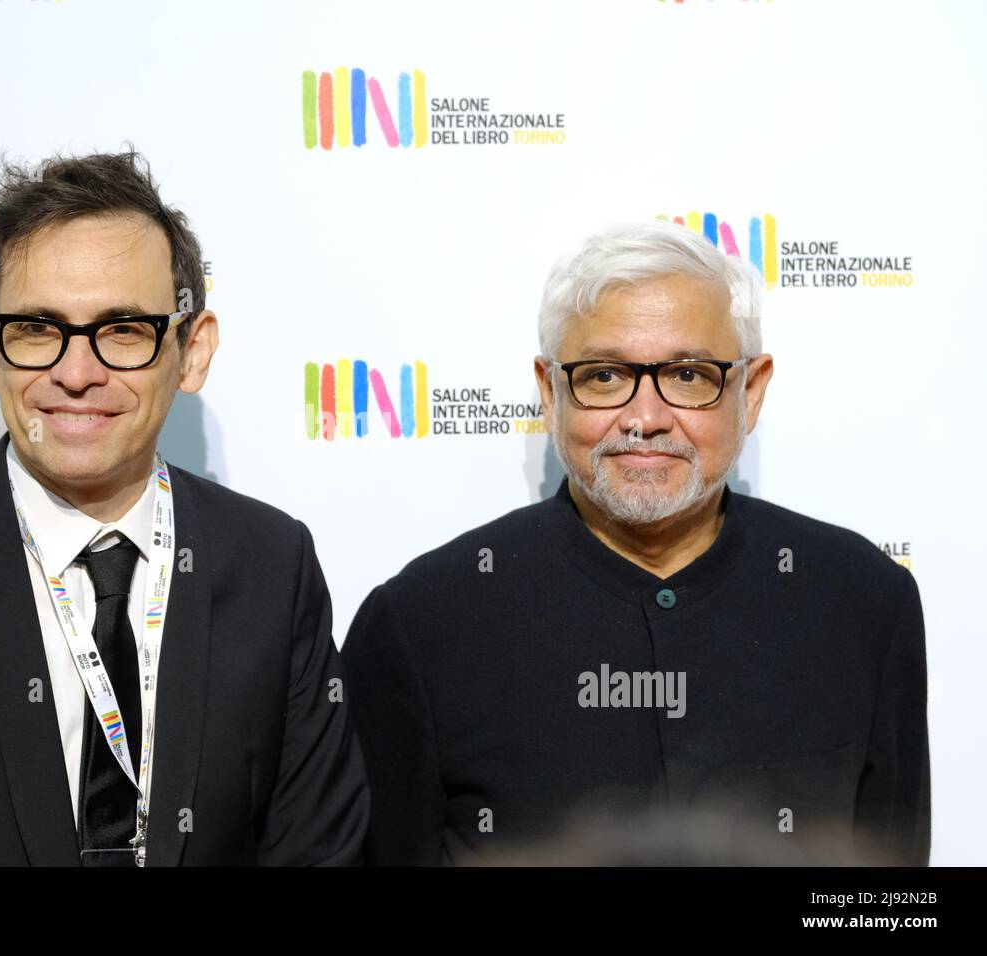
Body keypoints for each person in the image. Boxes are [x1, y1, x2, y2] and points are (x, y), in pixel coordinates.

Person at [0, 149, 368, 866]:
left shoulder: (273, 566)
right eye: (38, 328)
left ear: (192, 350)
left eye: (122, 330)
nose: (76, 373)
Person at [342, 220, 930, 866]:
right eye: (602, 377)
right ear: (549, 392)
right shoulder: (421, 626)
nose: (645, 419)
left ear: (751, 391)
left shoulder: (862, 602)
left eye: (687, 375)